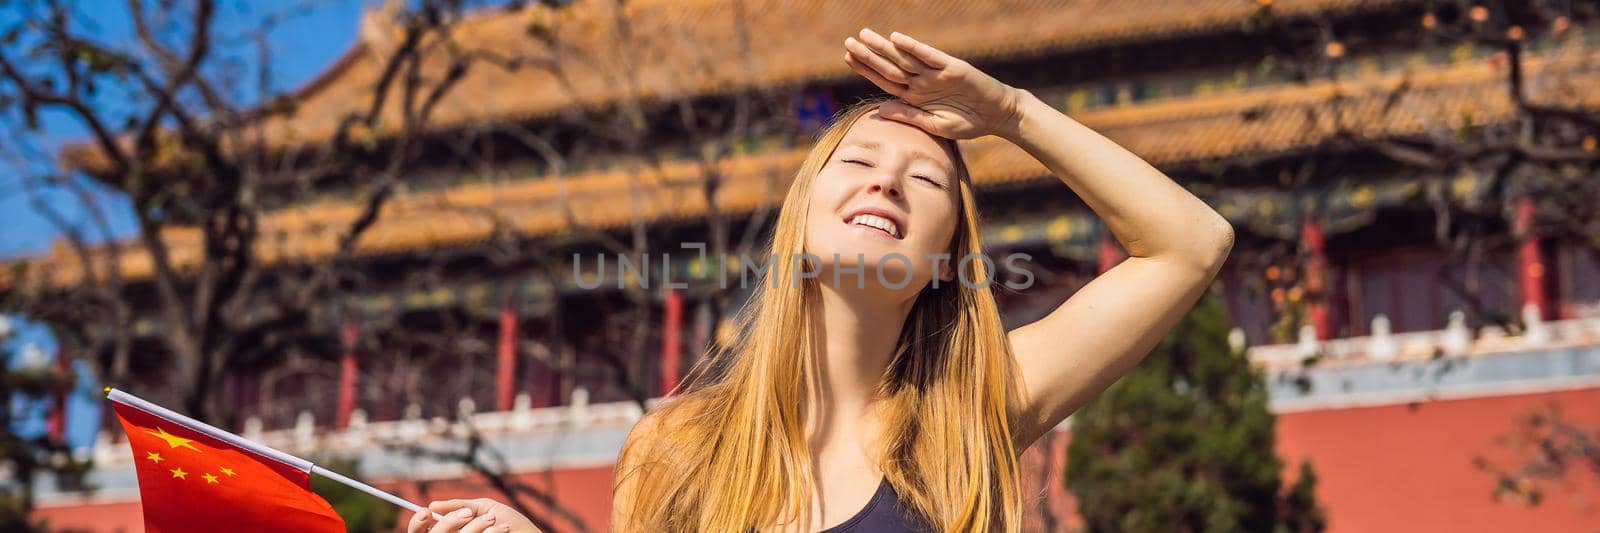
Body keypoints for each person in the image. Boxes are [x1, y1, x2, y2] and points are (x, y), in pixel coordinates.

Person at [409, 28, 1233, 533]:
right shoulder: (677, 448)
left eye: (926, 181)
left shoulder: (974, 408)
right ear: (802, 214)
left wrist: (1008, 112)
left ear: (950, 254)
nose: (886, 183)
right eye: (862, 161)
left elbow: (1191, 244)